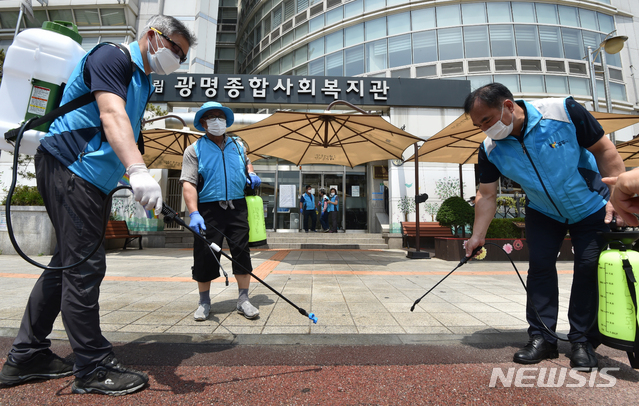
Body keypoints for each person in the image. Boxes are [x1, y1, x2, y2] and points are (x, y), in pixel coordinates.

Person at [0, 16, 196, 395]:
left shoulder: (143, 81)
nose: (177, 60)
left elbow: (116, 139)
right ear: (153, 36)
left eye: (183, 57)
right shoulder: (112, 56)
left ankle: (26, 356)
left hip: (90, 177)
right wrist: (138, 170)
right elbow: (110, 115)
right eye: (175, 49)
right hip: (72, 168)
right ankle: (92, 367)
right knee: (85, 266)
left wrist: (131, 181)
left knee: (65, 265)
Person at [463, 83, 625, 370]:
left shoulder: (563, 111)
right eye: (478, 125)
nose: (483, 129)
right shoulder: (490, 148)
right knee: (539, 268)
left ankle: (583, 341)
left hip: (589, 205)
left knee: (588, 267)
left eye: (486, 120)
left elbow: (604, 150)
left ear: (509, 106)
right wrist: (477, 236)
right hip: (543, 211)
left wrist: (618, 197)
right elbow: (487, 194)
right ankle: (543, 338)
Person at [181, 101, 262, 322]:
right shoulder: (194, 149)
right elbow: (188, 183)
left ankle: (243, 299)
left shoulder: (237, 144)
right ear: (204, 123)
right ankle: (204, 302)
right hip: (208, 209)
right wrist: (193, 212)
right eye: (212, 117)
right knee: (205, 255)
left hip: (237, 206)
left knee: (241, 252)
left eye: (221, 116)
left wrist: (251, 173)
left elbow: (247, 164)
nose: (217, 121)